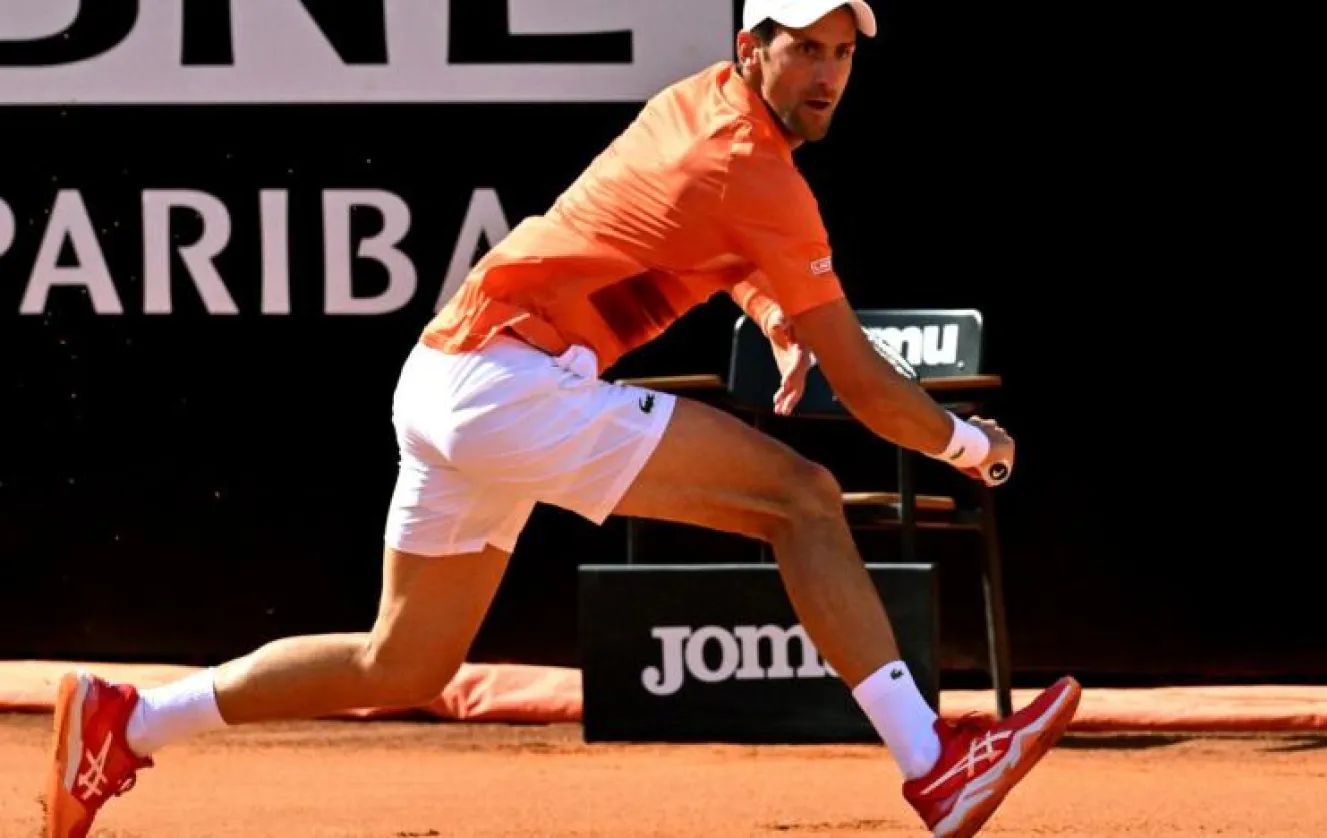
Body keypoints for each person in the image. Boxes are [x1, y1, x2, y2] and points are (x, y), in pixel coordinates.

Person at [43, 0, 1080, 835]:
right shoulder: (758, 174)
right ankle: (935, 763)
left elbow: (698, 232)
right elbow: (864, 383)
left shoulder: (701, 104)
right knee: (802, 500)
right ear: (750, 50)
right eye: (805, 48)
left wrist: (772, 311)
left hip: (444, 376)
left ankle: (130, 718)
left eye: (844, 53)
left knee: (403, 662)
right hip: (510, 384)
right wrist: (968, 444)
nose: (827, 73)